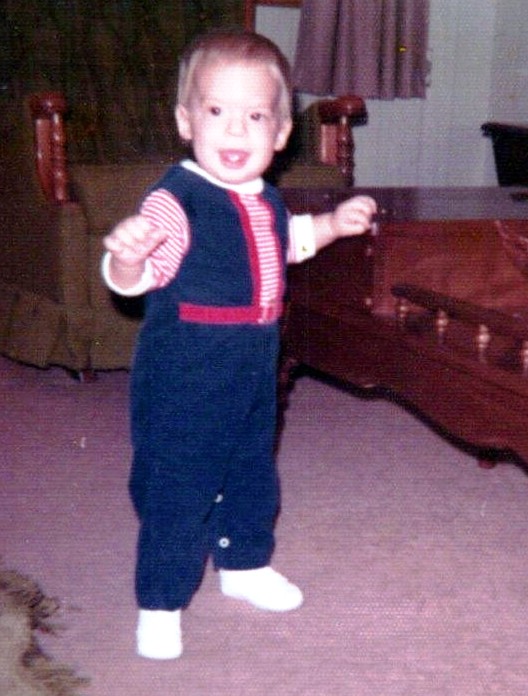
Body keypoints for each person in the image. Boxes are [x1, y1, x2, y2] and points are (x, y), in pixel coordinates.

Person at [102, 29, 377, 661]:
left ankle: (245, 563)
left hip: (253, 364)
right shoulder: (176, 201)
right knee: (180, 483)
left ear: (280, 134)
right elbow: (136, 277)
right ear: (185, 121)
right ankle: (161, 600)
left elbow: (285, 243)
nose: (235, 130)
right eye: (217, 111)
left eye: (255, 117)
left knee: (252, 468)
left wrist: (331, 226)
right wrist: (126, 257)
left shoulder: (266, 198)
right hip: (187, 371)